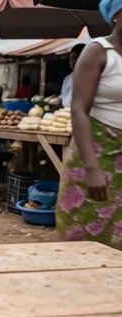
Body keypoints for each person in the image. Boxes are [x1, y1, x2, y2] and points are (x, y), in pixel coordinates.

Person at [56, 0, 122, 249]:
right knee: (83, 237)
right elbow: (79, 110)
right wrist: (92, 167)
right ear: (116, 15)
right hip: (96, 152)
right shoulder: (98, 51)